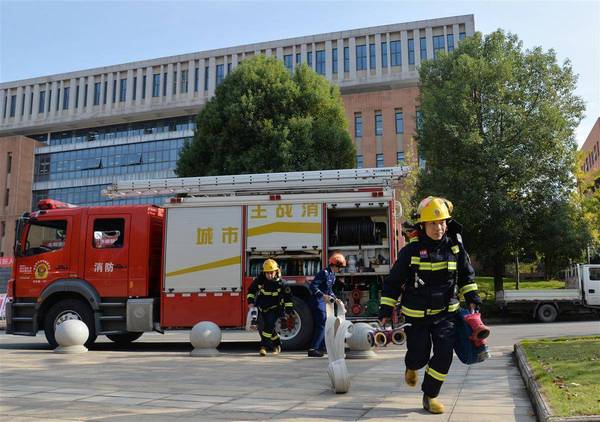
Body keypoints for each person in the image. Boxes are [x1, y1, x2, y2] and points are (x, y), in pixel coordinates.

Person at [378, 196, 481, 414]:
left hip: (446, 314)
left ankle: (430, 395)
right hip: (417, 317)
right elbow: (393, 282)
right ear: (423, 225)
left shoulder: (455, 248)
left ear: (447, 224)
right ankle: (412, 366)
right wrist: (386, 309)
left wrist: (472, 299)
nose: (438, 228)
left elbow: (467, 276)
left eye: (442, 222)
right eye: (433, 223)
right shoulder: (411, 251)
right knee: (419, 355)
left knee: (444, 355)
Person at [247, 259, 294, 356]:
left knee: (268, 325)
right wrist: (250, 302)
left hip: (275, 308)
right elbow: (251, 291)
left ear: (276, 272)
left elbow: (288, 298)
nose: (269, 275)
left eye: (271, 273)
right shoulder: (259, 281)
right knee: (270, 328)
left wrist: (288, 311)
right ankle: (277, 345)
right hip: (262, 308)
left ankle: (263, 347)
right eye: (267, 273)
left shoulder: (282, 283)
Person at [307, 252, 346, 357]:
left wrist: (336, 299)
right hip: (317, 301)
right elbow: (313, 286)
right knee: (322, 323)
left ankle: (322, 347)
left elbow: (329, 290)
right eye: (340, 267)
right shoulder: (323, 273)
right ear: (335, 265)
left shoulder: (332, 275)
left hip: (323, 302)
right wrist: (322, 296)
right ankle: (313, 348)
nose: (340, 270)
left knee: (327, 323)